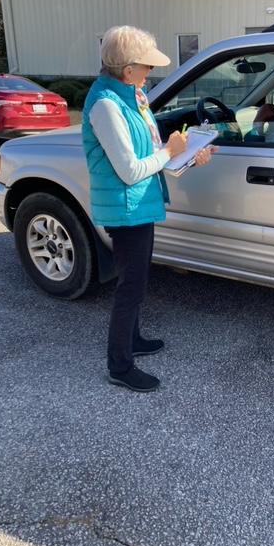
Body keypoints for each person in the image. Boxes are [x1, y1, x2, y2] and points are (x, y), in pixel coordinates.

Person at [82, 25, 216, 393]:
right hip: (126, 209)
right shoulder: (107, 105)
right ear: (128, 70)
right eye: (147, 66)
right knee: (131, 287)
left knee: (136, 281)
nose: (151, 72)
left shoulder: (132, 95)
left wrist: (189, 154)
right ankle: (119, 365)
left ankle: (133, 340)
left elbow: (151, 154)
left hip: (139, 203)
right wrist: (170, 152)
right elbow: (129, 170)